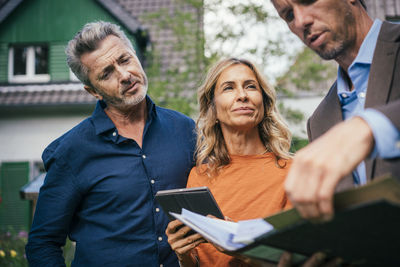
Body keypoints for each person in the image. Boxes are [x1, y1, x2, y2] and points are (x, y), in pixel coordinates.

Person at [25, 21, 196, 267]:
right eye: (107, 73)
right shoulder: (70, 152)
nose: (124, 75)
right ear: (93, 91)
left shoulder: (184, 129)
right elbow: (43, 244)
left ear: (135, 55)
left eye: (125, 60)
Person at [271, 0, 400, 221]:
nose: (302, 21)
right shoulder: (319, 121)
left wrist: (370, 127)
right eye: (289, 15)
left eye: (308, 1)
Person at [165, 58, 293, 267]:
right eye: (229, 88)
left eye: (250, 86)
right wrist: (183, 254)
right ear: (213, 110)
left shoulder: (291, 173)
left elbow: (300, 258)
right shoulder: (199, 176)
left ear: (264, 102)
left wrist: (237, 245)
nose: (242, 95)